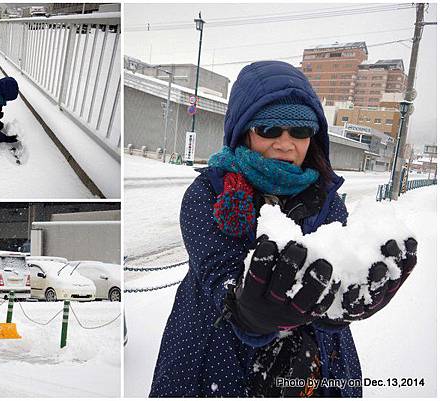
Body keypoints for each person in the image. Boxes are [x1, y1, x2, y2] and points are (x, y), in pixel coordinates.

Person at [149, 61, 418, 397]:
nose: (285, 144)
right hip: (215, 354)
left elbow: (332, 275)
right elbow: (216, 269)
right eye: (269, 129)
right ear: (244, 130)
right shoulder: (209, 193)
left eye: (300, 131)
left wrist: (336, 309)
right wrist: (245, 309)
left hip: (317, 366)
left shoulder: (328, 199)